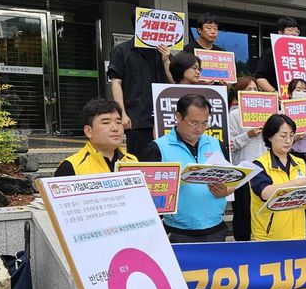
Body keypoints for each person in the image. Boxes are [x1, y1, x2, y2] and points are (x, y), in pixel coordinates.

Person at [54, 99, 138, 289]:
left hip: (128, 257)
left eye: (118, 120)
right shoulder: (71, 166)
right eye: (106, 121)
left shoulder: (133, 162)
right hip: (90, 259)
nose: (116, 126)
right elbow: (62, 219)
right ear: (89, 130)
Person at [140, 95, 233, 242]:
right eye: (194, 122)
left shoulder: (216, 144)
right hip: (179, 232)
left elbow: (231, 180)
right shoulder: (158, 148)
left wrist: (225, 190)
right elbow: (146, 196)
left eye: (204, 123)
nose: (199, 129)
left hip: (216, 229)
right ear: (178, 117)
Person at [249, 114, 306, 241]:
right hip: (269, 238)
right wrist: (298, 183)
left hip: (298, 235)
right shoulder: (258, 164)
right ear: (270, 136)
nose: (288, 140)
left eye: (291, 135)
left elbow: (300, 195)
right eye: (283, 135)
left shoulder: (300, 163)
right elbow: (265, 193)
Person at [107, 22, 168, 159]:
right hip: (136, 118)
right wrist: (122, 114)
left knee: (163, 160)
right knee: (138, 160)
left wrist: (166, 60)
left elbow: (174, 80)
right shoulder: (121, 50)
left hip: (162, 118)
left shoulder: (162, 52)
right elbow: (116, 82)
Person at [228, 76, 267, 241]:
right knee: (243, 212)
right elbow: (229, 145)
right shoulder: (234, 115)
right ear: (239, 93)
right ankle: (242, 244)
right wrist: (247, 135)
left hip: (265, 169)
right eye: (248, 89)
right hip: (244, 170)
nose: (252, 92)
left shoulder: (268, 112)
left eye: (255, 89)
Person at [254, 16, 300, 93]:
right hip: (279, 99)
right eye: (290, 30)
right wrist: (275, 93)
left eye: (297, 31)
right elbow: (259, 77)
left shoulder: (303, 55)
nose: (294, 33)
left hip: (302, 99)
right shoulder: (270, 52)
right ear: (280, 33)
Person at [285, 78, 306, 166]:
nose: (302, 93)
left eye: (304, 91)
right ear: (290, 93)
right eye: (298, 90)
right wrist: (295, 138)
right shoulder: (284, 113)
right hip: (292, 154)